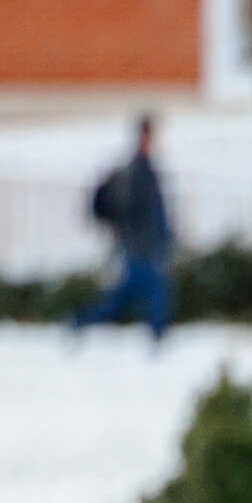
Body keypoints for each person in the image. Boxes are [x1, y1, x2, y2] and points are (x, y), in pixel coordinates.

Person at [70, 115, 175, 340]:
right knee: (148, 294)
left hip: (142, 246)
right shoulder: (136, 172)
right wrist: (145, 238)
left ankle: (81, 322)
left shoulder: (145, 170)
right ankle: (157, 338)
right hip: (139, 247)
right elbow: (137, 213)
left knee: (126, 296)